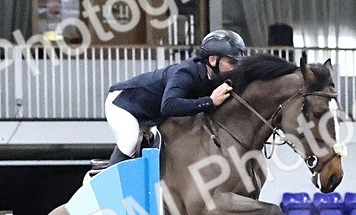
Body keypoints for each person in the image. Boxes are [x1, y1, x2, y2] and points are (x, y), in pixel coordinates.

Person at [103, 30, 248, 166]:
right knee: (130, 141)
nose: (236, 68)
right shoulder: (186, 73)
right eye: (232, 62)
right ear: (213, 60)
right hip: (123, 104)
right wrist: (210, 101)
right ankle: (108, 185)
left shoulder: (216, 78)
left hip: (152, 114)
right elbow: (168, 106)